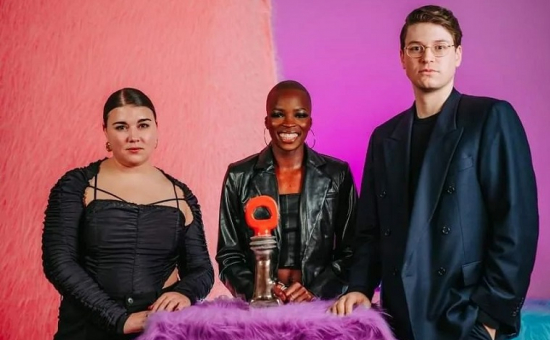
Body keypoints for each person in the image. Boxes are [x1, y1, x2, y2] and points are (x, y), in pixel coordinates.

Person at [331, 6, 539, 340]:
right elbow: (369, 231)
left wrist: (490, 319)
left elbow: (516, 225)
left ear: (457, 54)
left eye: (440, 47)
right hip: (398, 318)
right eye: (416, 48)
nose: (428, 56)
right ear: (402, 57)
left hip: (464, 316)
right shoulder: (385, 137)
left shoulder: (489, 118)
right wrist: (360, 287)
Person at [42, 88, 214, 339]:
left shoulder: (181, 194)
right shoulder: (76, 185)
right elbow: (59, 262)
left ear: (156, 129)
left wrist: (184, 293)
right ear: (106, 132)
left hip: (156, 329)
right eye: (121, 127)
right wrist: (117, 318)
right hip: (86, 328)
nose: (134, 136)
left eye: (143, 125)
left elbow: (202, 269)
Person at [216, 80, 357, 303]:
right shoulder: (238, 176)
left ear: (310, 122)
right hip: (260, 304)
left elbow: (351, 251)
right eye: (278, 115)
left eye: (300, 115)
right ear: (267, 121)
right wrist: (260, 291)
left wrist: (317, 291)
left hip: (319, 305)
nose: (289, 123)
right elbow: (229, 255)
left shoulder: (336, 175)